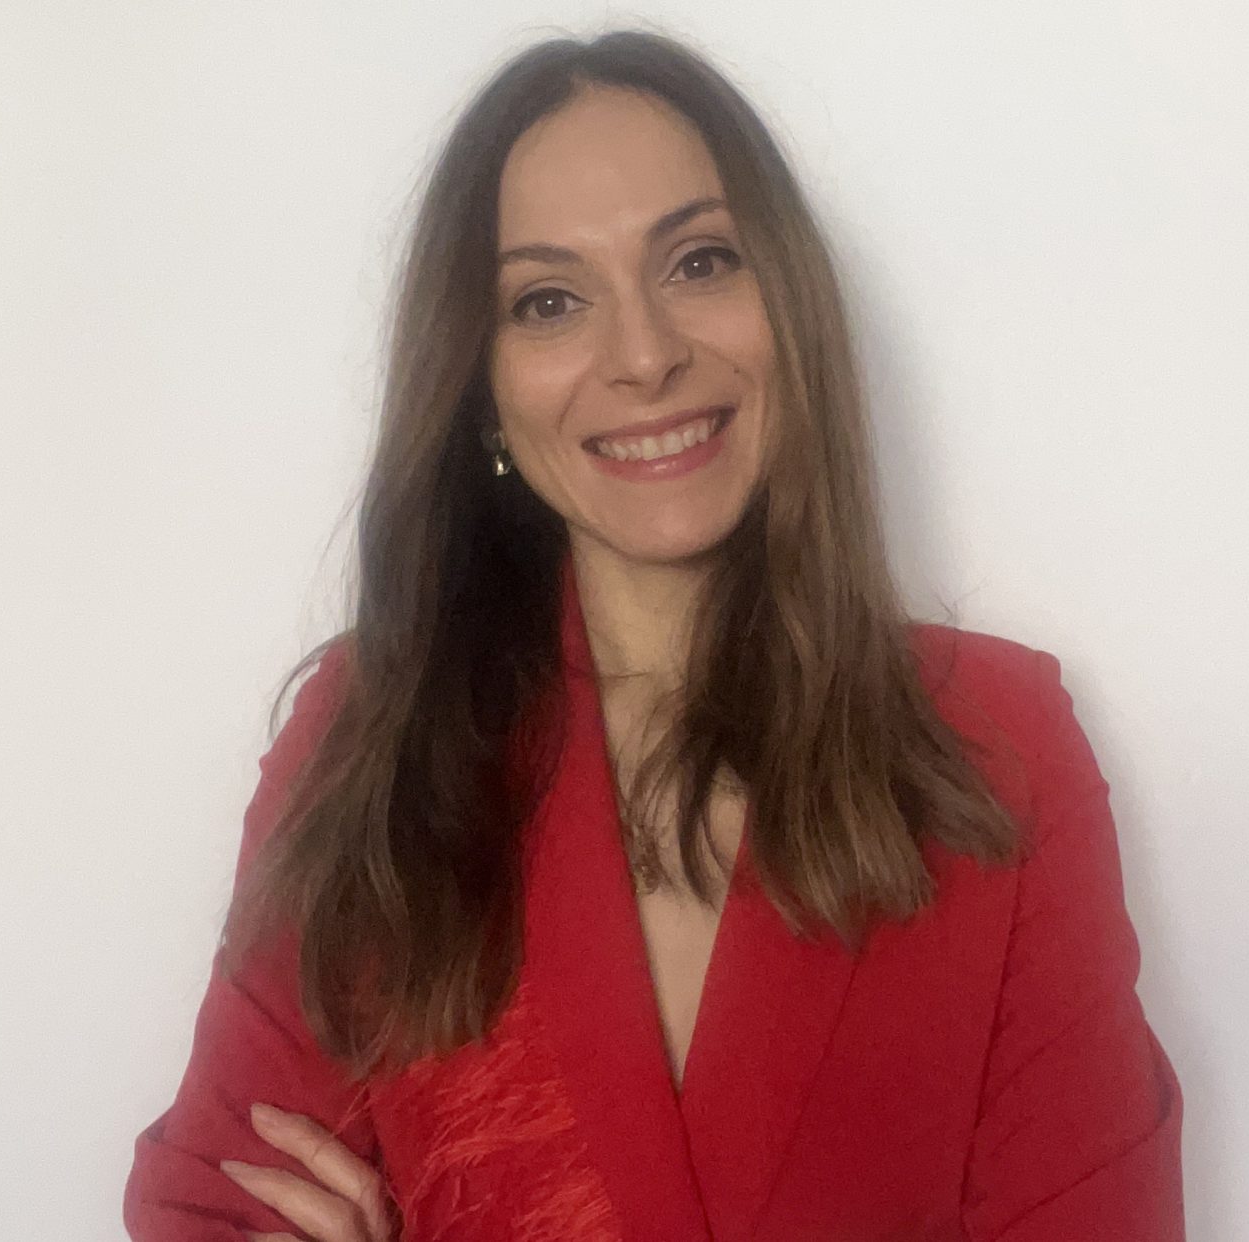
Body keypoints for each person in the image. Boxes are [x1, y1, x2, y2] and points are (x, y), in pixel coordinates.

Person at [123, 27, 1184, 1242]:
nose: (644, 355)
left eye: (700, 261)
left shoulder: (999, 744)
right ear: (483, 390)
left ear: (789, 305)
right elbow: (216, 1205)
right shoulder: (375, 735)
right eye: (550, 301)